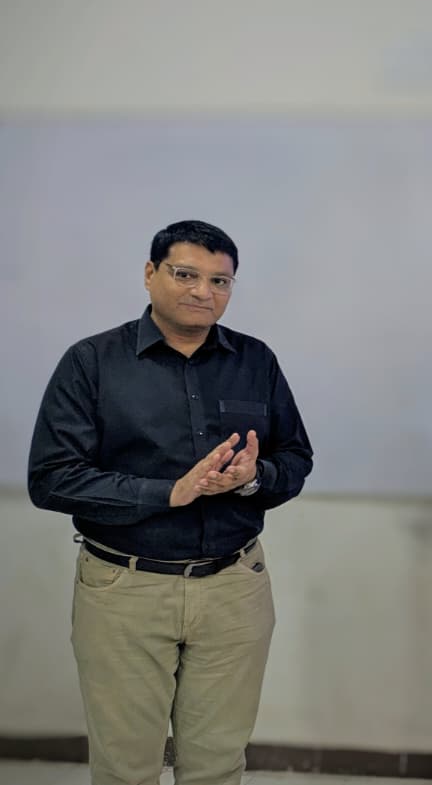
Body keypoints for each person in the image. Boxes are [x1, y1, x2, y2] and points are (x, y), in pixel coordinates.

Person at [28, 220, 314, 785]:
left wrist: (254, 478)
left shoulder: (255, 360)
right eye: (185, 275)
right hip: (126, 587)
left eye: (220, 281)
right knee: (126, 767)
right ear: (150, 273)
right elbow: (52, 478)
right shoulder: (92, 362)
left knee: (218, 763)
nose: (203, 291)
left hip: (233, 586)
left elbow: (296, 458)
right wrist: (169, 493)